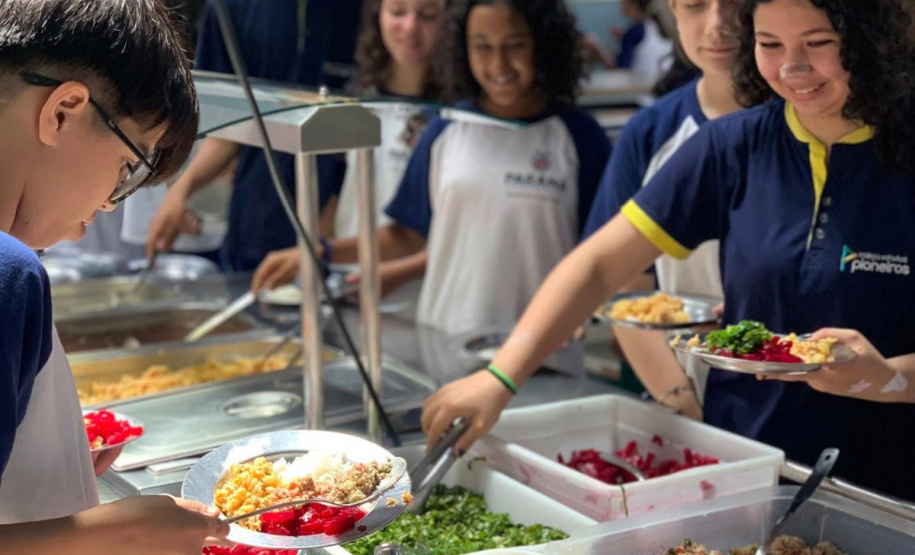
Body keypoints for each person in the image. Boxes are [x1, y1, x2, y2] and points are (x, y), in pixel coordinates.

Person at [422, 0, 915, 501]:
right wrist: (500, 377)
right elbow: (597, 267)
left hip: (889, 485)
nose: (792, 67)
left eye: (818, 44)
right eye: (770, 45)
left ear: (869, 39)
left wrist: (891, 378)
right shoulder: (733, 147)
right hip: (750, 470)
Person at [0, 0, 228, 552]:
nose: (108, 203)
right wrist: (119, 531)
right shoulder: (11, 273)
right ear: (63, 111)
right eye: (129, 167)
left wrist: (38, 439)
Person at [300, 0, 611, 335]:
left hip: (543, 346)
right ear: (463, 49)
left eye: (515, 45)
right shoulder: (446, 127)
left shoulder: (580, 138)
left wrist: (588, 310)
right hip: (444, 336)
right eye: (483, 47)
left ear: (544, 43)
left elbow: (604, 252)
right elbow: (407, 233)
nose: (498, 63)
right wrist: (322, 250)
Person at [583, 0, 743, 420]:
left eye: (737, 4)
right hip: (692, 394)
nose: (717, 24)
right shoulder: (654, 133)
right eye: (695, 5)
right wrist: (680, 401)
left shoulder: (810, 131)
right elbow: (620, 287)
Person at [145, 0, 364, 272]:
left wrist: (327, 224)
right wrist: (180, 192)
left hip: (349, 233)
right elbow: (229, 133)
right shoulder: (229, 9)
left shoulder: (363, 11)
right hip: (257, 223)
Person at [251, 0, 448, 298]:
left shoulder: (453, 113)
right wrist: (311, 254)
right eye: (397, 12)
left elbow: (419, 236)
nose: (410, 27)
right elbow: (338, 191)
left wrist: (322, 252)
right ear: (377, 15)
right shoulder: (362, 91)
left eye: (428, 15)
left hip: (416, 292)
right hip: (349, 279)